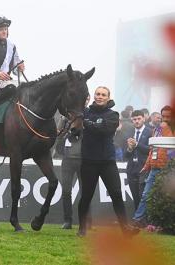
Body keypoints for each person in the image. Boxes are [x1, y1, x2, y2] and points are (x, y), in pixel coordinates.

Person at [77, 86, 139, 237]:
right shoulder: (84, 112)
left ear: (108, 98)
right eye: (97, 94)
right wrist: (89, 123)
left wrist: (88, 124)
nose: (99, 96)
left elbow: (105, 129)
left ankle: (126, 228)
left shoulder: (113, 115)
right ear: (94, 96)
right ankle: (82, 229)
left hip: (107, 162)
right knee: (86, 196)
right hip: (89, 161)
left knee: (117, 194)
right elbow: (83, 126)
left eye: (103, 95)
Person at [132, 105, 175, 227]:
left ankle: (164, 223)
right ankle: (138, 219)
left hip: (169, 168)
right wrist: (147, 165)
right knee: (146, 194)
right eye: (163, 116)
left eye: (168, 116)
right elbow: (152, 149)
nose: (165, 119)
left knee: (167, 196)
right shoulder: (156, 129)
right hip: (155, 167)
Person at [55, 95, 92, 229]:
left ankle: (87, 221)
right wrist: (65, 134)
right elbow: (58, 135)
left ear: (88, 100)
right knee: (66, 191)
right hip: (68, 159)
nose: (84, 101)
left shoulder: (89, 115)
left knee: (86, 191)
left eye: (86, 99)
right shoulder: (65, 117)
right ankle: (67, 221)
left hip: (84, 159)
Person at [124, 110, 152, 210]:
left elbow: (151, 150)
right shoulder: (129, 132)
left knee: (143, 197)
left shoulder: (150, 131)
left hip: (144, 168)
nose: (136, 121)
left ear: (144, 119)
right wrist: (129, 149)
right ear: (132, 120)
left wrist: (137, 145)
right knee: (135, 197)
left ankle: (145, 221)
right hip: (131, 169)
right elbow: (125, 155)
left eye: (139, 119)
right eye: (134, 119)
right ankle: (138, 222)